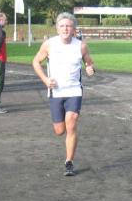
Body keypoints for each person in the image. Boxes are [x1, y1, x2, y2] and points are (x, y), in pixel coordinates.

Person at [31, 12, 96, 177]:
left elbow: (89, 63)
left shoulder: (81, 46)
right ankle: (67, 134)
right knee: (60, 130)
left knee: (71, 123)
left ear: (74, 29)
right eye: (62, 26)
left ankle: (69, 162)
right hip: (56, 91)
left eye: (68, 26)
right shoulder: (49, 45)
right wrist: (45, 80)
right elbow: (36, 62)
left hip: (74, 90)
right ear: (57, 28)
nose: (65, 29)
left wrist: (90, 69)